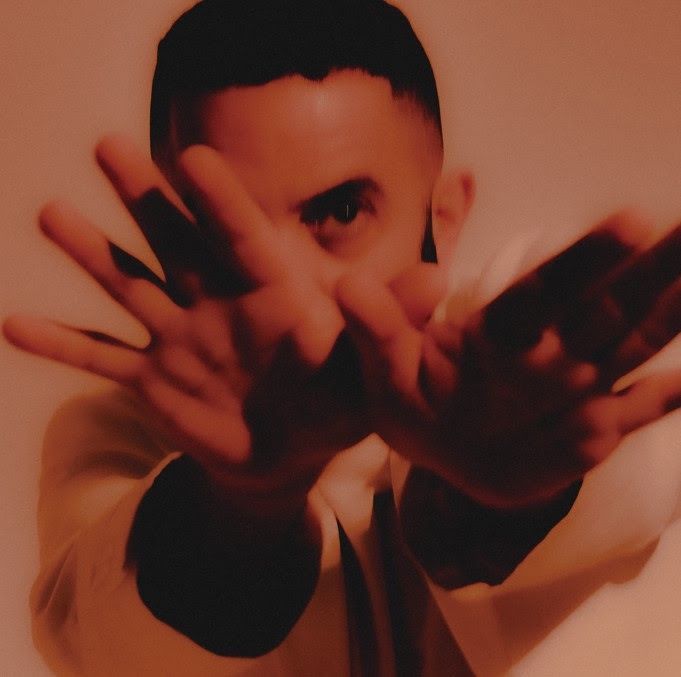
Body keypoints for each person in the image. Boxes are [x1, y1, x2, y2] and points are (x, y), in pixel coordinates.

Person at [4, 0, 681, 674]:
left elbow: (640, 478)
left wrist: (500, 499)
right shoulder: (114, 431)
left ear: (442, 219)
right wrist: (247, 499)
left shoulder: (525, 354)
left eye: (341, 210)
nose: (287, 288)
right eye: (221, 224)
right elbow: (102, 649)